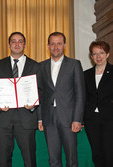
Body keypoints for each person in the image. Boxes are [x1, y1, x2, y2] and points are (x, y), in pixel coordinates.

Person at [38, 32, 85, 167]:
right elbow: (40, 94)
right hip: (49, 119)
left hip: (69, 119)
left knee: (71, 159)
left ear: (64, 45)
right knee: (53, 160)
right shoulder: (42, 66)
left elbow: (80, 94)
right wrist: (40, 118)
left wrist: (77, 119)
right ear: (48, 46)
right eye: (52, 44)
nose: (56, 47)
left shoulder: (74, 64)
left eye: (59, 43)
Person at [0, 32, 40, 167]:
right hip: (3, 119)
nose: (17, 44)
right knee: (4, 160)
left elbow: (40, 90)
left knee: (29, 160)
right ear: (9, 45)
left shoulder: (35, 65)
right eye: (13, 41)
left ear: (24, 44)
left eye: (20, 41)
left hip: (26, 118)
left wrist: (34, 105)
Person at [84, 41, 113, 167]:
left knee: (109, 153)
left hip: (109, 119)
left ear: (107, 54)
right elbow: (83, 98)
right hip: (91, 119)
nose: (98, 57)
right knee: (97, 154)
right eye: (95, 54)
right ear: (91, 56)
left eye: (101, 53)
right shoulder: (86, 74)